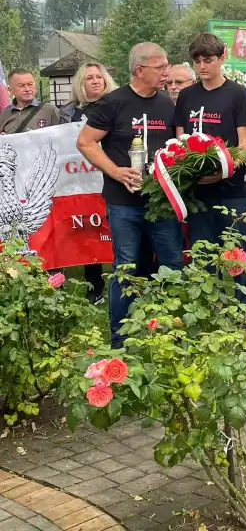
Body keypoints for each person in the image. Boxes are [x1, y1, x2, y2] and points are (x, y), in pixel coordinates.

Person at [77, 43, 183, 346]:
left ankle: (171, 336)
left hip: (162, 202)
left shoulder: (168, 105)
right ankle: (120, 341)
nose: (166, 72)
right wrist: (116, 171)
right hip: (123, 204)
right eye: (160, 67)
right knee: (125, 267)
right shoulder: (113, 102)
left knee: (172, 264)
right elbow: (85, 142)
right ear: (140, 70)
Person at [173, 33, 246, 290]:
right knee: (202, 259)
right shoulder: (187, 96)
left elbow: (245, 144)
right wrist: (187, 168)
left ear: (222, 58)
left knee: (237, 258)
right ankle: (209, 320)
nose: (202, 66)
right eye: (197, 61)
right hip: (198, 193)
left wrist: (222, 171)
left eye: (208, 60)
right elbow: (179, 140)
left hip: (232, 191)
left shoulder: (238, 94)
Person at [60, 61, 119, 304]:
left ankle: (124, 282)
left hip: (111, 179)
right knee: (87, 233)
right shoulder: (69, 112)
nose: (95, 81)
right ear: (81, 83)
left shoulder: (118, 104)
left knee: (115, 232)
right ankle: (94, 286)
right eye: (89, 78)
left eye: (99, 77)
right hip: (81, 183)